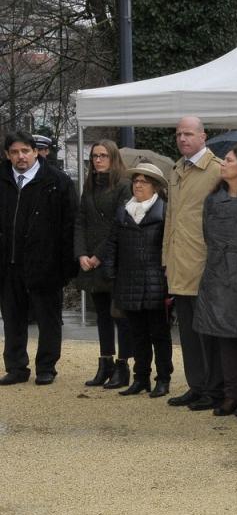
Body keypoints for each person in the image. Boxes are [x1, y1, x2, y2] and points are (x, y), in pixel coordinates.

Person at [0, 130, 78, 385]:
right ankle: (16, 367)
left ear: (35, 151)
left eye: (25, 151)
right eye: (14, 152)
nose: (20, 157)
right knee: (12, 319)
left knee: (48, 319)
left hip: (46, 264)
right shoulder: (2, 179)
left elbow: (70, 225)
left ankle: (46, 367)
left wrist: (67, 266)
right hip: (8, 264)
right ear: (7, 155)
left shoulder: (57, 182)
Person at [193, 144, 237, 418]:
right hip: (219, 273)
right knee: (225, 338)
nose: (223, 164)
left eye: (229, 160)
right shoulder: (212, 200)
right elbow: (207, 234)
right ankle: (230, 394)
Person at [163, 116, 225, 410]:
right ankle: (197, 384)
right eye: (178, 134)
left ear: (203, 136)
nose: (182, 139)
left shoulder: (217, 170)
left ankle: (214, 388)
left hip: (204, 263)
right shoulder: (176, 169)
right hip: (179, 262)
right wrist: (166, 258)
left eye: (188, 134)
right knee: (187, 330)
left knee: (208, 331)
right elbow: (170, 219)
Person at [101, 163, 171, 396]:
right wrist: (111, 272)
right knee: (137, 334)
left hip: (155, 283)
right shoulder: (123, 211)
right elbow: (112, 244)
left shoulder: (164, 212)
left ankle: (163, 378)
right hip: (129, 281)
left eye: (144, 181)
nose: (138, 185)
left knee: (159, 334)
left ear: (156, 187)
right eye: (136, 181)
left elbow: (170, 246)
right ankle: (141, 378)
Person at [75, 140, 133, 389]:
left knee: (119, 315)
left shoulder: (123, 187)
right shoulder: (89, 186)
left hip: (114, 259)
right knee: (101, 316)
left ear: (113, 158)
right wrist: (81, 254)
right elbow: (80, 221)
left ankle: (123, 365)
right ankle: (105, 362)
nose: (98, 160)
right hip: (90, 260)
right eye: (94, 156)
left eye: (103, 156)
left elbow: (119, 224)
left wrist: (98, 255)